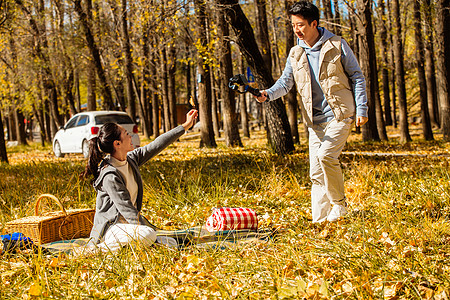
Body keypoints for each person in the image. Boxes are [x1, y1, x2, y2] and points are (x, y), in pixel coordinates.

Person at [254, 1, 368, 223]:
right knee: (315, 173)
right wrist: (267, 94)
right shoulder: (296, 52)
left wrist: (361, 108)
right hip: (314, 122)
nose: (296, 30)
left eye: (301, 25)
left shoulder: (337, 44)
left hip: (340, 114)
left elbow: (357, 77)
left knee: (326, 156)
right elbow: (285, 83)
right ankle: (320, 220)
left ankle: (339, 205)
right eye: (293, 25)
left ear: (314, 23)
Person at [79, 109, 198, 254]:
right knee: (148, 235)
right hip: (112, 229)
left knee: (171, 243)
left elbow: (156, 145)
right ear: (117, 144)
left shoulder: (131, 159)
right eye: (127, 135)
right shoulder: (109, 175)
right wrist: (149, 232)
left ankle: (138, 245)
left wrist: (184, 126)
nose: (131, 137)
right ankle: (95, 250)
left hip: (129, 228)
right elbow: (127, 210)